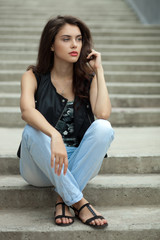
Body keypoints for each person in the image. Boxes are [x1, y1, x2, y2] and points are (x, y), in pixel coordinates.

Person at [19, 15, 114, 228]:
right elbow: (26, 111)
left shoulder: (88, 78)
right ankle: (79, 201)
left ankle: (63, 198)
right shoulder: (32, 75)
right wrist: (54, 135)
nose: (75, 45)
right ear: (51, 44)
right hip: (41, 166)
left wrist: (99, 70)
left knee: (103, 128)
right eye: (66, 39)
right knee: (32, 130)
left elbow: (103, 113)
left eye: (79, 39)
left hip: (79, 161)